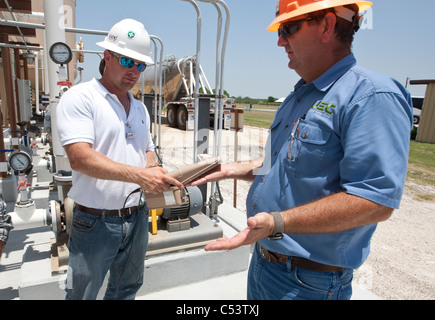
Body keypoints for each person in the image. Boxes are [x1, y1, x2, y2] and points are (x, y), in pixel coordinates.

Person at [190, 0, 413, 300]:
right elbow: (283, 163)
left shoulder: (371, 96)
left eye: (289, 28)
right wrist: (233, 170)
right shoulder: (300, 95)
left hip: (309, 283)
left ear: (326, 26)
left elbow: (374, 201)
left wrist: (277, 222)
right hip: (265, 264)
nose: (280, 40)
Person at [56, 18, 182, 300]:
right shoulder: (81, 98)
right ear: (108, 57)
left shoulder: (139, 108)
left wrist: (156, 172)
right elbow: (80, 158)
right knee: (82, 295)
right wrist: (140, 176)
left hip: (136, 217)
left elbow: (147, 150)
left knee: (126, 289)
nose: (134, 71)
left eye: (140, 65)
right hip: (94, 222)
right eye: (128, 61)